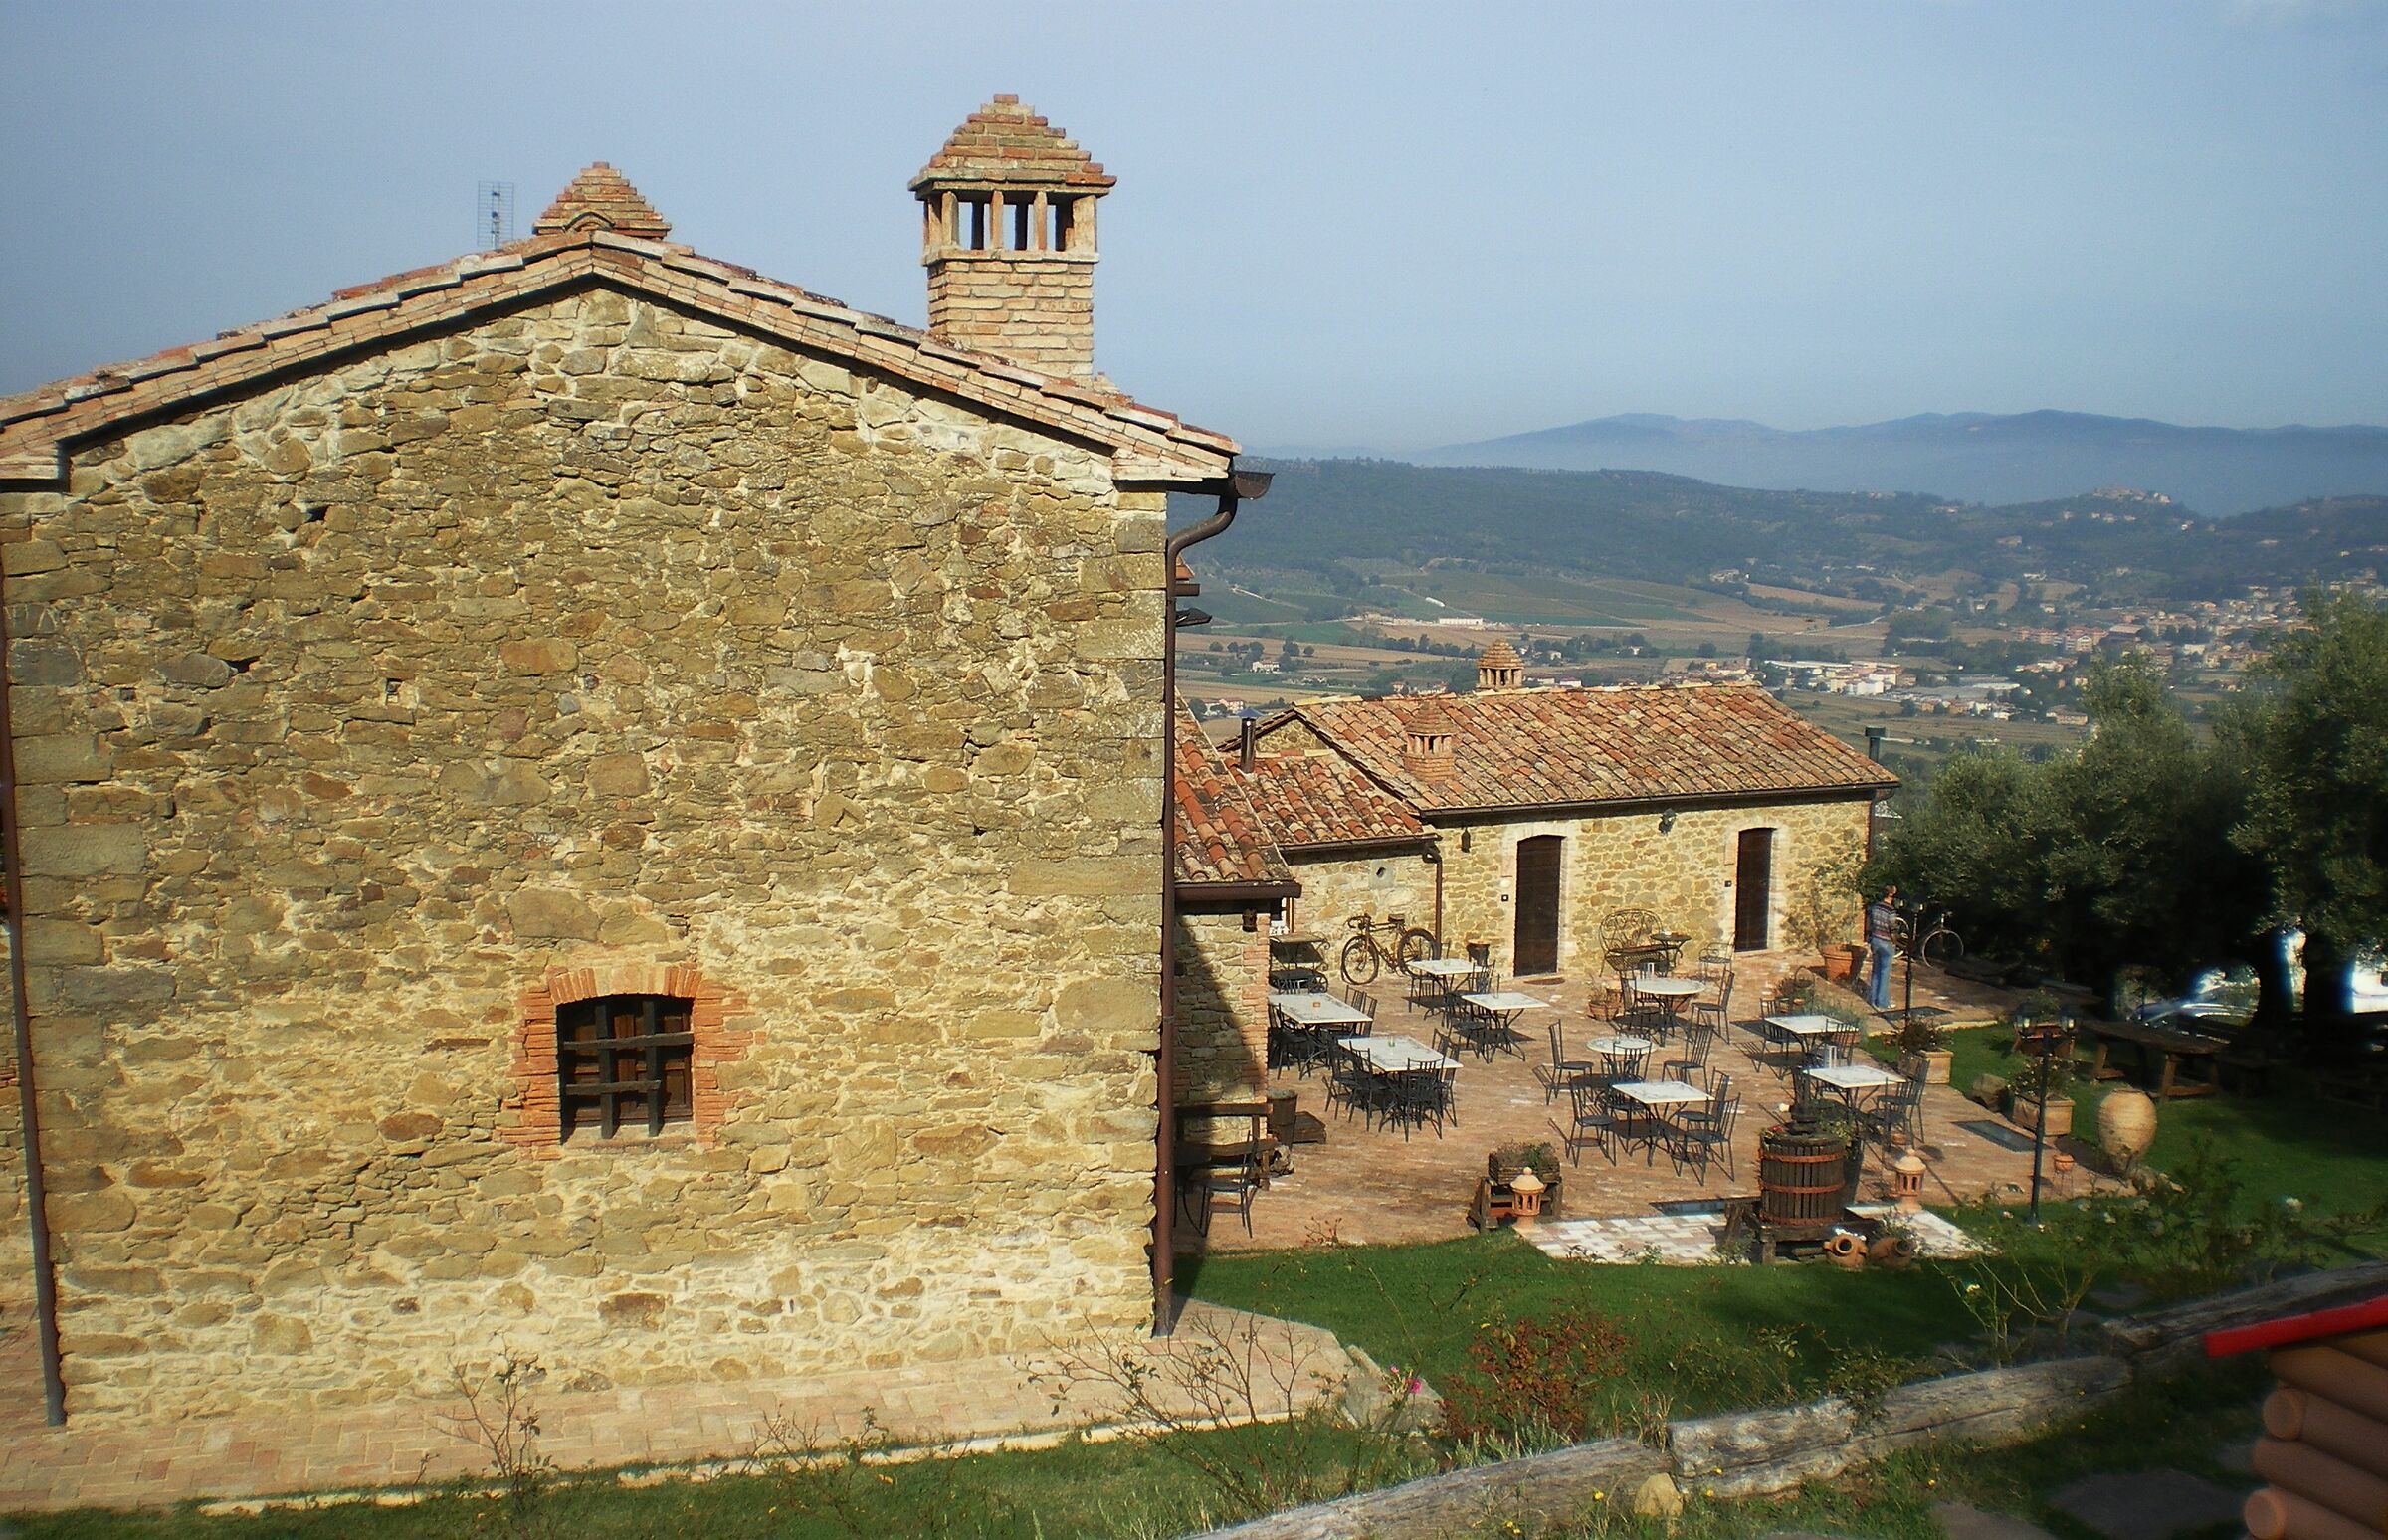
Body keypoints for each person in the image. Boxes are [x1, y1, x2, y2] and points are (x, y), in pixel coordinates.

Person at [1867, 885, 1898, 1011]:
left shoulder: (1874, 907)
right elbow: (1893, 929)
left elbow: (1869, 924)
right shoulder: (1890, 910)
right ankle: (1882, 1002)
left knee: (1876, 970)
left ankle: (1873, 999)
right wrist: (1895, 942)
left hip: (1875, 940)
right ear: (1890, 895)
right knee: (1885, 972)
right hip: (1886, 942)